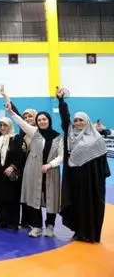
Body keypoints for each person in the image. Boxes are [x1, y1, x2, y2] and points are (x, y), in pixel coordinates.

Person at [58, 89, 110, 243]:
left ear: (87, 122)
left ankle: (90, 233)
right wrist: (61, 101)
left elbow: (103, 164)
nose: (78, 123)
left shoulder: (97, 138)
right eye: (76, 120)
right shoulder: (70, 135)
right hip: (74, 180)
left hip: (92, 181)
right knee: (77, 205)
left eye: (81, 120)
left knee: (91, 205)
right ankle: (79, 231)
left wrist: (99, 179)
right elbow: (65, 118)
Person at [7, 102, 62, 238]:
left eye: (44, 119)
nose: (42, 121)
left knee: (51, 198)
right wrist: (11, 112)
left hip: (51, 172)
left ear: (49, 120)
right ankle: (37, 226)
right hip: (33, 171)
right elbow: (21, 122)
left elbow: (61, 156)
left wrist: (50, 165)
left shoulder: (58, 137)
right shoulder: (34, 132)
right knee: (33, 197)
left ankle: (50, 225)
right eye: (39, 120)